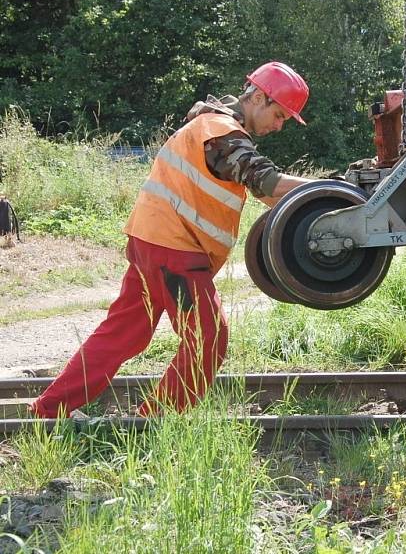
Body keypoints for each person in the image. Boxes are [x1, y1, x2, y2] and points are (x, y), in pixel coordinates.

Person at [31, 61, 315, 418]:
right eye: (279, 115)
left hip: (152, 239)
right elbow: (268, 183)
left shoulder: (211, 126)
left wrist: (318, 201)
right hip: (175, 248)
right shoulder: (221, 132)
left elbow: (266, 193)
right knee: (209, 337)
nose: (278, 125)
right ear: (258, 97)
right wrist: (335, 189)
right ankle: (157, 419)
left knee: (121, 334)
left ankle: (46, 411)